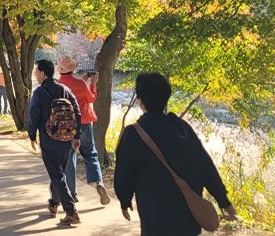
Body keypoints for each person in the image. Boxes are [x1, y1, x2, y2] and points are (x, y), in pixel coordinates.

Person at [114, 73, 237, 236]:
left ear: (140, 101)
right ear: (166, 98)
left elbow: (124, 172)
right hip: (188, 211)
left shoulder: (134, 134)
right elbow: (204, 165)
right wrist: (223, 200)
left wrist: (124, 199)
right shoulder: (182, 129)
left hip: (155, 215)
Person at [28, 58, 81, 226]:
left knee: (57, 175)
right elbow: (77, 112)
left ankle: (71, 211)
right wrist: (77, 135)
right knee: (58, 174)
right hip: (67, 140)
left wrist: (31, 135)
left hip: (49, 140)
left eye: (37, 72)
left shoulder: (39, 93)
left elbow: (33, 115)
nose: (36, 75)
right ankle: (54, 203)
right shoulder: (65, 90)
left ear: (43, 73)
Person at [57, 56, 111, 205]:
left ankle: (72, 193)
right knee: (91, 154)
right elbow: (91, 98)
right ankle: (98, 182)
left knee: (69, 157)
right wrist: (92, 84)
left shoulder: (58, 85)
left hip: (67, 126)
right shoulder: (81, 84)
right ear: (73, 69)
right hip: (85, 123)